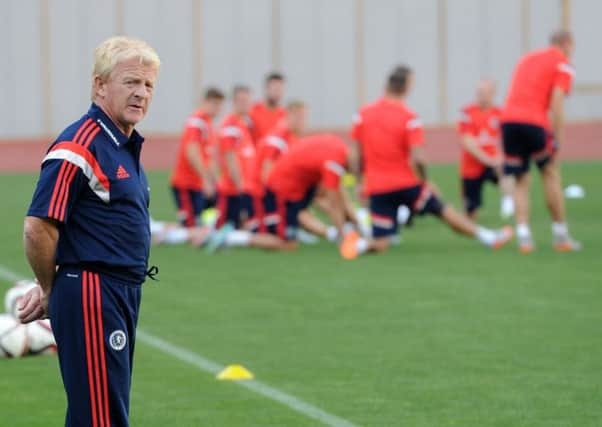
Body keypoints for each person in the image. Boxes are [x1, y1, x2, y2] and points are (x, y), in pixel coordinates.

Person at [19, 36, 160, 426]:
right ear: (100, 85)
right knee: (102, 419)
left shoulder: (122, 144)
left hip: (118, 293)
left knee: (93, 414)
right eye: (130, 82)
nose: (141, 93)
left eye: (148, 85)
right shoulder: (79, 145)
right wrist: (51, 287)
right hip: (94, 293)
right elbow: (38, 227)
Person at [342, 65, 513, 259]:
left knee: (381, 243)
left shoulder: (362, 115)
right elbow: (418, 157)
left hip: (377, 187)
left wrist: (358, 182)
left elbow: (355, 154)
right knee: (444, 211)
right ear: (406, 87)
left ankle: (359, 245)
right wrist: (425, 180)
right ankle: (490, 237)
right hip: (405, 183)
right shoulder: (409, 118)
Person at [501, 29, 580, 253]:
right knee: (550, 173)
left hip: (509, 121)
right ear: (566, 43)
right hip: (534, 122)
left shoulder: (527, 58)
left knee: (521, 180)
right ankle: (561, 235)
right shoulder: (562, 62)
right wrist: (558, 137)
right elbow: (557, 99)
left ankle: (524, 238)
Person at [263, 133, 358, 247]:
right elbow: (334, 204)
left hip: (301, 183)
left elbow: (339, 195)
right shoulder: (334, 163)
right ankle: (239, 237)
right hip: (283, 188)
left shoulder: (340, 149)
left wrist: (354, 221)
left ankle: (338, 232)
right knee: (288, 244)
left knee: (320, 199)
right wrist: (344, 238)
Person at [457, 80, 514, 219]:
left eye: (485, 92)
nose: (481, 95)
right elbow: (467, 142)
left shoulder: (500, 113)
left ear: (493, 94)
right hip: (472, 166)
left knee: (508, 171)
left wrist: (500, 157)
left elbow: (507, 139)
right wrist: (488, 160)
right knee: (470, 212)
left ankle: (509, 202)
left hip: (494, 162)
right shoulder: (467, 113)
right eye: (479, 92)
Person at [170, 87, 224, 228]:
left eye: (219, 105)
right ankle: (158, 232)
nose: (217, 108)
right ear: (205, 102)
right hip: (185, 183)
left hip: (198, 184)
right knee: (189, 225)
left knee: (201, 221)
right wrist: (206, 179)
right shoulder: (197, 122)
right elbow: (192, 152)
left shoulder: (209, 124)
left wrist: (217, 181)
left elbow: (209, 157)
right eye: (214, 104)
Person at [215, 85, 260, 231]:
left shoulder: (243, 123)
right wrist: (240, 185)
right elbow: (230, 157)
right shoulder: (230, 125)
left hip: (245, 187)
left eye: (247, 101)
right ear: (234, 102)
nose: (245, 104)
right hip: (232, 190)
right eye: (241, 101)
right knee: (225, 229)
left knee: (242, 227)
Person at [249, 72, 287, 143]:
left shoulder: (285, 115)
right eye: (275, 89)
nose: (277, 93)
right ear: (266, 88)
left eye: (280, 89)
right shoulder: (252, 110)